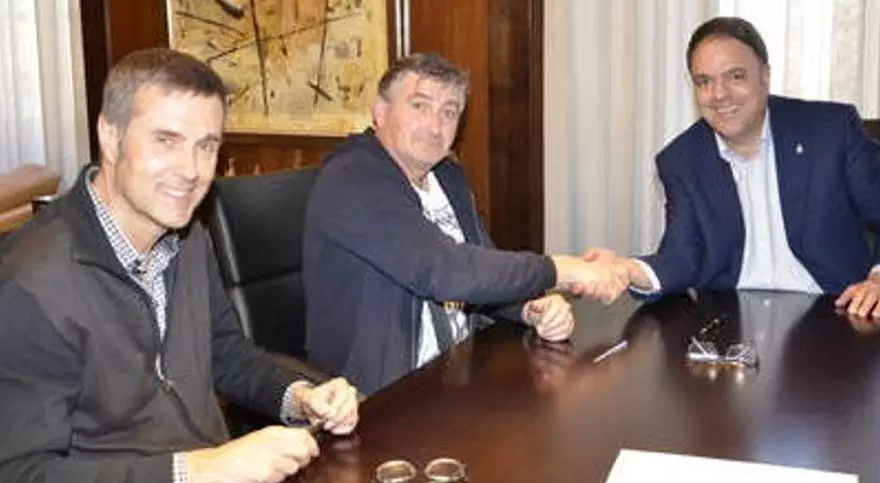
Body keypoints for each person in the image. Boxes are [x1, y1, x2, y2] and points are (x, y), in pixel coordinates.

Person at [0, 48, 359, 483]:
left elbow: (227, 355)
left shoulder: (187, 236)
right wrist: (202, 469)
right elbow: (21, 479)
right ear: (110, 137)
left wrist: (300, 397)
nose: (191, 171)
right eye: (166, 140)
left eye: (206, 146)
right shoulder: (30, 282)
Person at [303, 52, 628, 395]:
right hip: (378, 397)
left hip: (457, 374)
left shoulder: (447, 176)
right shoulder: (352, 180)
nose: (435, 126)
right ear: (380, 111)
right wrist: (561, 270)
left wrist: (528, 308)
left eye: (449, 111)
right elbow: (445, 271)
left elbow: (480, 267)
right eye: (419, 106)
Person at [600, 17, 880, 319]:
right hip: (728, 326)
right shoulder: (681, 160)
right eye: (704, 81)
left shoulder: (831, 131)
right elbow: (682, 255)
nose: (719, 94)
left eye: (735, 76)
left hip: (839, 317)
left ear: (764, 76)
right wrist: (627, 270)